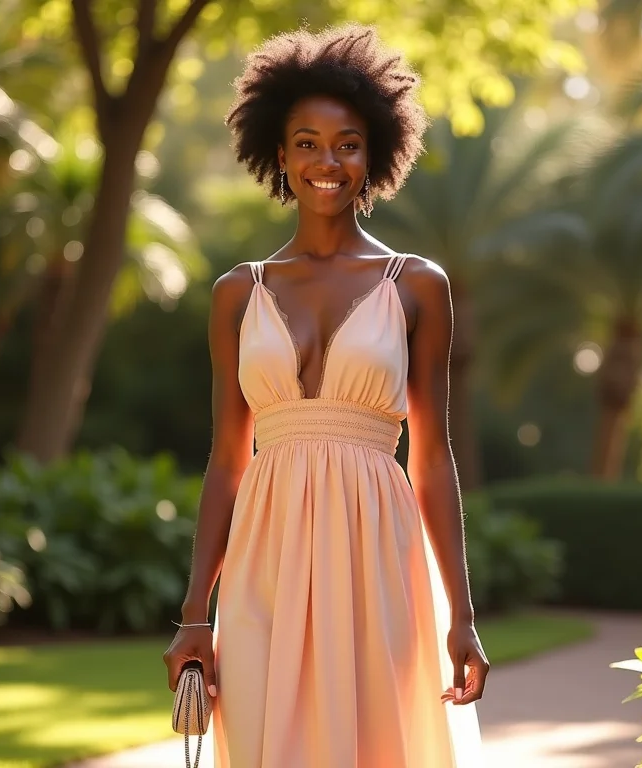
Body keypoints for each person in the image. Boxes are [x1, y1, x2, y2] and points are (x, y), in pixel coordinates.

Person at [163, 23, 489, 768]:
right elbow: (226, 462)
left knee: (377, 746)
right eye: (306, 142)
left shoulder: (417, 285)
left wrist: (462, 616)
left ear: (374, 154)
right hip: (264, 560)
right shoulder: (235, 294)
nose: (327, 161)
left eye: (347, 143)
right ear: (278, 156)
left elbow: (433, 461)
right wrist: (193, 616)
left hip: (379, 557)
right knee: (264, 745)